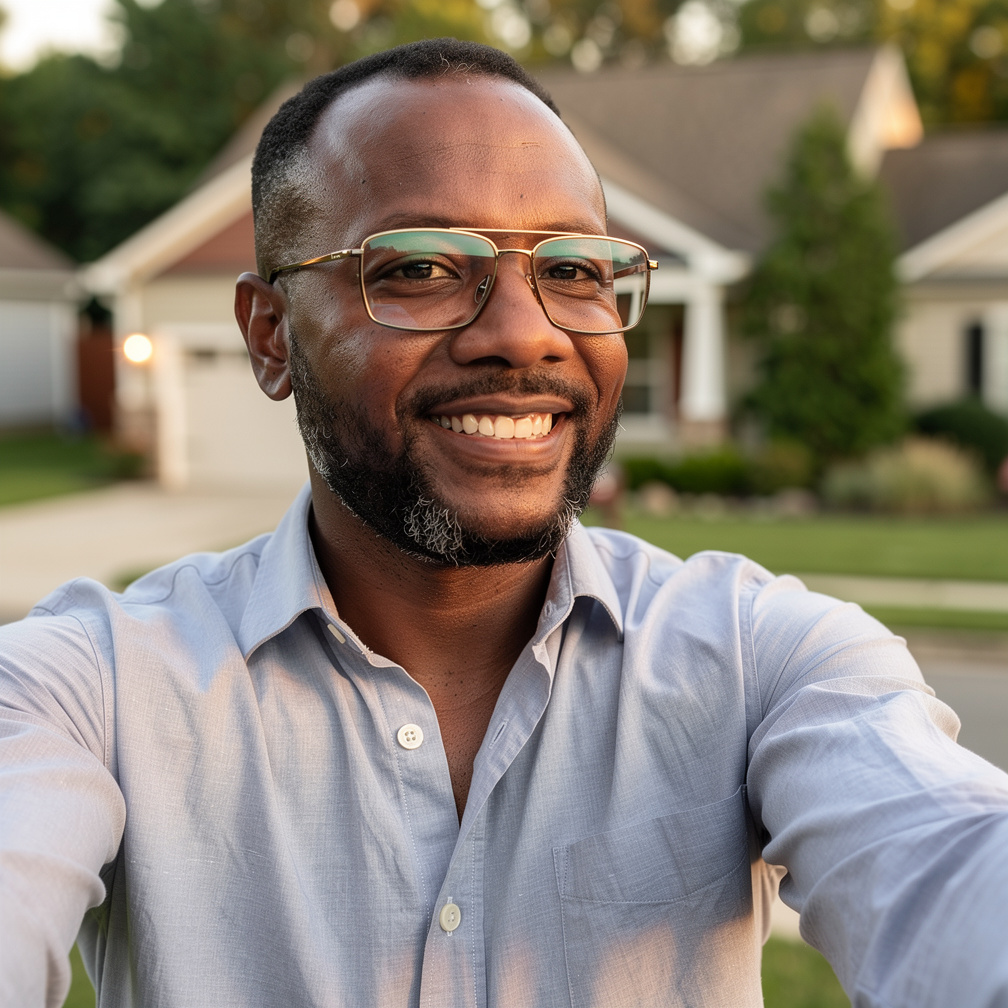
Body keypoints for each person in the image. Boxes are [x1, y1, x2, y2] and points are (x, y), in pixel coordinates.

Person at [2, 37, 1008, 1008]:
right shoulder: (92, 690)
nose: (524, 332)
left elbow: (948, 861)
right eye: (420, 268)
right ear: (271, 336)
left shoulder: (763, 663)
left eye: (573, 269)